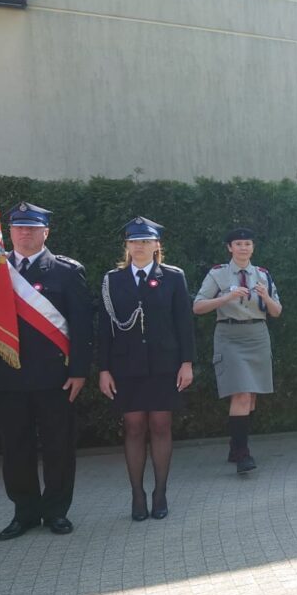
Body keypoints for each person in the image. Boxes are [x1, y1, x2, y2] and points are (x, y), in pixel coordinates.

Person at [0, 203, 92, 540]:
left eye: (32, 228)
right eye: (19, 228)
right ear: (10, 231)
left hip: (55, 378)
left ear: (46, 231)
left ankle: (56, 511)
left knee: (58, 446)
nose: (25, 233)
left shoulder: (65, 271)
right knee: (16, 448)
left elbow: (82, 326)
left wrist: (79, 372)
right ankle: (25, 512)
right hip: (9, 376)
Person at [97, 217, 196, 521]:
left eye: (145, 241)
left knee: (161, 426)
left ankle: (160, 492)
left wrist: (187, 363)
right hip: (126, 366)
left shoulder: (173, 277)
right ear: (126, 246)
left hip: (165, 365)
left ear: (156, 245)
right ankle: (137, 494)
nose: (139, 246)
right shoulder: (113, 280)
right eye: (134, 241)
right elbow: (103, 328)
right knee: (134, 427)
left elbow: (184, 323)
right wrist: (102, 369)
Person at [192, 228, 282, 475]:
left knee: (251, 397)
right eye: (238, 244)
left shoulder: (262, 275)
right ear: (229, 248)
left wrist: (266, 296)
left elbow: (276, 312)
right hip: (229, 336)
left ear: (252, 247)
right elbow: (198, 306)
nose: (243, 248)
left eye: (247, 243)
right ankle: (243, 454)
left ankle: (235, 446)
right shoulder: (218, 274)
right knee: (241, 394)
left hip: (257, 335)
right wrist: (226, 298)